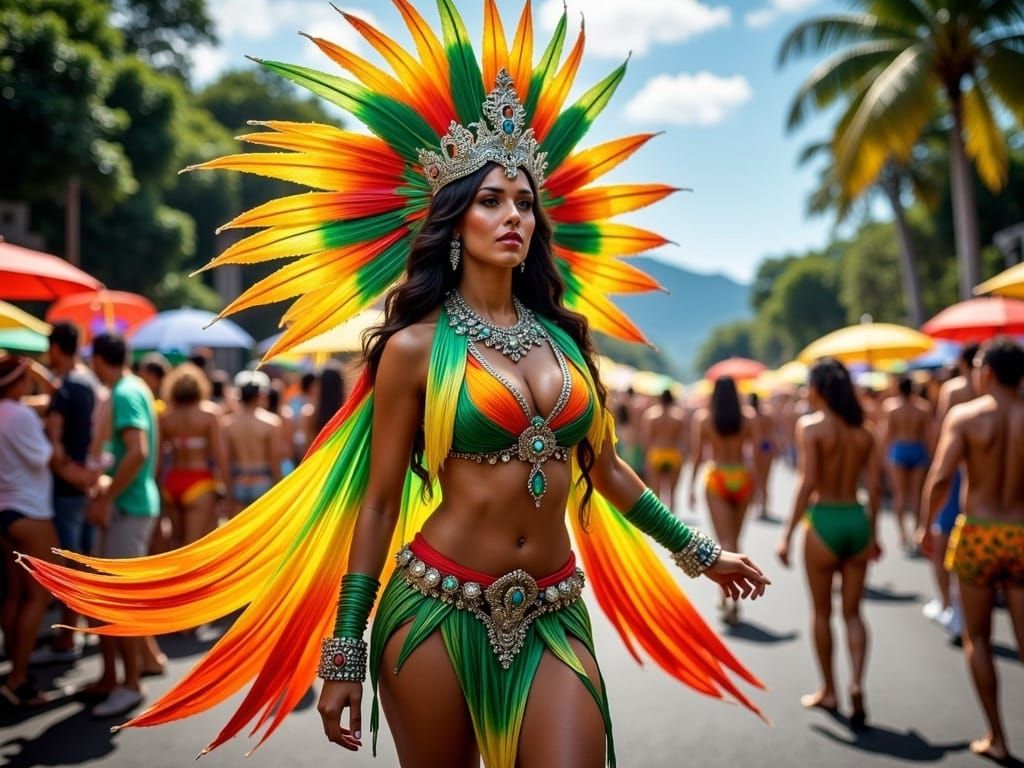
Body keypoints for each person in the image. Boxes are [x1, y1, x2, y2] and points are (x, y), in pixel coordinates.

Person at [19, 7, 771, 764]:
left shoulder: (567, 340)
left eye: (525, 202)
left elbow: (603, 468)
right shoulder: (415, 349)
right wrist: (345, 647)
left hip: (553, 613)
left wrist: (701, 553)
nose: (513, 215)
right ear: (454, 220)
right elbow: (379, 501)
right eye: (490, 200)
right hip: (434, 611)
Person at [918, 339, 1024, 763]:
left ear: (989, 372)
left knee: (977, 637)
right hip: (1021, 531)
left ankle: (997, 737)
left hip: (979, 533)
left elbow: (941, 477)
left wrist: (927, 527)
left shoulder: (965, 416)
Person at [776, 358, 881, 728]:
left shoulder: (811, 427)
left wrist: (787, 533)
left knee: (821, 612)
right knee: (853, 613)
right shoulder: (864, 431)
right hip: (856, 517)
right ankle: (856, 683)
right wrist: (877, 534)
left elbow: (807, 483)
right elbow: (875, 486)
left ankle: (830, 690)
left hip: (823, 521)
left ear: (818, 389)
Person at [85, 332, 161, 718]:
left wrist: (107, 497)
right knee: (111, 600)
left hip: (128, 509)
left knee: (118, 604)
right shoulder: (130, 388)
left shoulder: (125, 392)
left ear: (99, 358)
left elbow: (138, 451)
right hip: (130, 506)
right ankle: (115, 676)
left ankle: (130, 684)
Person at [30, 322, 100, 666]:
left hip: (65, 487)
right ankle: (74, 631)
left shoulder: (65, 390)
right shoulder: (88, 382)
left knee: (65, 566)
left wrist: (68, 472)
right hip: (86, 485)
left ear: (56, 348)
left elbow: (54, 446)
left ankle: (66, 636)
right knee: (81, 561)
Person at [0, 355, 61, 706]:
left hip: (6, 512)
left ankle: (14, 666)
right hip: (30, 512)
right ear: (18, 382)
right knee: (39, 596)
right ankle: (19, 677)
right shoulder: (21, 415)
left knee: (15, 594)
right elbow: (42, 457)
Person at [922, 343, 980, 636]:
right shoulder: (1013, 398)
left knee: (942, 537)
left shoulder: (954, 391)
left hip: (957, 472)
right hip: (989, 481)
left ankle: (949, 605)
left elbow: (940, 437)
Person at [689, 376, 757, 624]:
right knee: (736, 540)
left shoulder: (704, 418)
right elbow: (758, 452)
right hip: (742, 476)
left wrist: (690, 486)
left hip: (717, 477)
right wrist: (760, 485)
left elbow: (697, 455)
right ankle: (732, 598)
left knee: (724, 542)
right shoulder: (748, 417)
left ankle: (728, 596)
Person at [159, 363, 228, 547]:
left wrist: (159, 488)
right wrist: (228, 489)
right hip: (200, 482)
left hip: (172, 482)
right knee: (193, 547)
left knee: (175, 543)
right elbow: (220, 455)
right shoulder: (209, 414)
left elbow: (158, 459)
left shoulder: (166, 417)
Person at [879, 376, 933, 553]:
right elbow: (928, 436)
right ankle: (917, 532)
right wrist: (931, 456)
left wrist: (883, 457)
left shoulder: (891, 407)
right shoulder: (923, 408)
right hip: (917, 449)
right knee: (916, 495)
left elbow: (887, 434)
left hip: (899, 450)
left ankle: (902, 535)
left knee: (900, 495)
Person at [225, 370, 283, 512]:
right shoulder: (271, 422)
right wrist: (280, 485)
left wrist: (227, 489)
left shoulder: (228, 423)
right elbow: (274, 458)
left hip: (238, 479)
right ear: (259, 396)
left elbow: (227, 458)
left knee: (239, 531)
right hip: (263, 480)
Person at [640, 389, 688, 512]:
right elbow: (683, 440)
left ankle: (658, 522)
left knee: (656, 493)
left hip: (656, 454)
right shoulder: (679, 416)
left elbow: (646, 439)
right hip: (672, 453)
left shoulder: (651, 415)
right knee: (672, 494)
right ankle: (671, 520)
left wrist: (647, 457)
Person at [748, 392, 777, 520]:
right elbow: (772, 433)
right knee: (765, 479)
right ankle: (764, 507)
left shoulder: (750, 416)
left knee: (755, 478)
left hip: (756, 447)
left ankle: (758, 506)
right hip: (766, 446)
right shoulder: (766, 414)